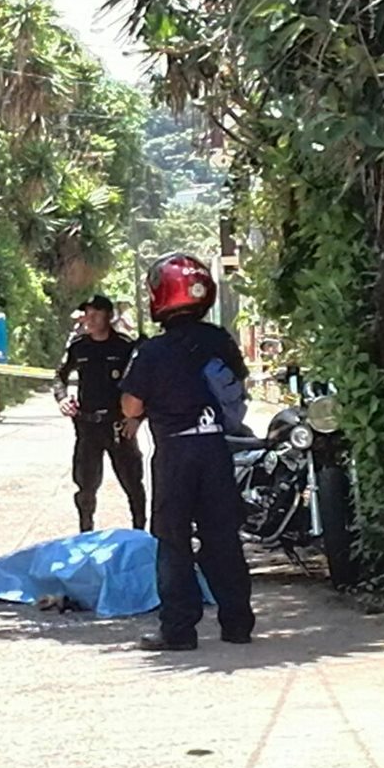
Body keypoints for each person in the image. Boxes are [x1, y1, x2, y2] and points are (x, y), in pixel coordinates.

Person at [119, 252, 255, 651]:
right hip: (216, 448)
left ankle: (178, 630)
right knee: (223, 538)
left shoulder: (153, 351)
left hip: (176, 453)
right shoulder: (220, 340)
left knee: (173, 540)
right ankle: (237, 625)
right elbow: (238, 385)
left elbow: (131, 407)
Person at [53, 293, 146, 532]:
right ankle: (86, 531)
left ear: (109, 316)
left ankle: (140, 532)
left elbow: (145, 384)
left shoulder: (125, 347)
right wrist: (62, 399)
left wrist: (137, 418)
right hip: (88, 427)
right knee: (86, 486)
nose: (90, 320)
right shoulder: (78, 347)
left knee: (133, 484)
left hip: (118, 426)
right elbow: (59, 377)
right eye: (87, 315)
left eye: (96, 314)